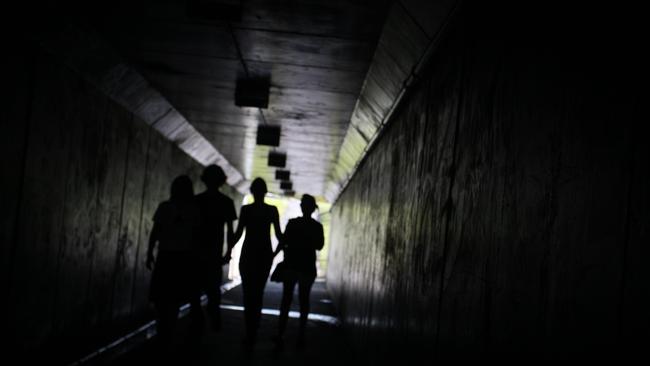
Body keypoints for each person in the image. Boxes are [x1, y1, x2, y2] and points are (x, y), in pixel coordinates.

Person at [146, 175, 200, 348]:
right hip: (183, 258)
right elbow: (197, 237)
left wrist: (149, 252)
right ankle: (169, 330)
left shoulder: (165, 207)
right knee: (175, 298)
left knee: (161, 297)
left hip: (165, 256)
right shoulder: (194, 210)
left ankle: (162, 330)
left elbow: (155, 231)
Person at [232, 177, 283, 347]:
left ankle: (249, 330)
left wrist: (226, 250)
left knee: (248, 294)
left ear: (252, 191)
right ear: (265, 192)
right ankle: (254, 327)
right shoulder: (272, 210)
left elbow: (239, 233)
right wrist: (274, 254)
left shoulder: (246, 210)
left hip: (248, 254)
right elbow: (279, 237)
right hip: (264, 255)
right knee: (258, 293)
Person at [189, 165, 237, 335]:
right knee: (213, 290)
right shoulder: (226, 202)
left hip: (196, 253)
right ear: (221, 181)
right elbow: (230, 231)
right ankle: (213, 313)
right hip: (214, 254)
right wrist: (228, 253)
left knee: (194, 290)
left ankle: (198, 319)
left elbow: (191, 228)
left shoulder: (196, 201)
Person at [272, 194, 324, 348]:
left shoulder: (293, 224)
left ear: (302, 207)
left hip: (291, 266)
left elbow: (283, 241)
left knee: (286, 300)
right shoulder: (317, 227)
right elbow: (319, 246)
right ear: (313, 209)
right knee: (304, 300)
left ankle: (281, 334)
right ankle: (301, 336)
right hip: (307, 267)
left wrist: (273, 255)